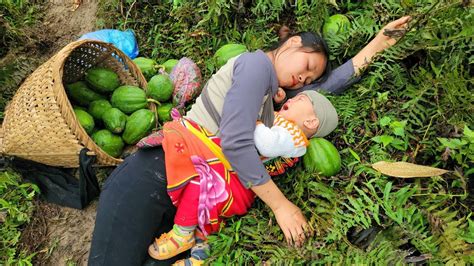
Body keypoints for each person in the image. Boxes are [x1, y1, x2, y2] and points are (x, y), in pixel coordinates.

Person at [88, 16, 411, 266]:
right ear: (293, 43)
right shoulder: (256, 65)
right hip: (157, 173)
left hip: (189, 199)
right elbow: (235, 143)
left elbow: (327, 92)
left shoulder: (277, 100)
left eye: (310, 80)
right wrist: (281, 206)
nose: (304, 79)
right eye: (307, 66)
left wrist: (379, 44)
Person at [146, 89, 338, 262]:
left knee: (199, 183)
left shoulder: (294, 138)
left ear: (311, 122)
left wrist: (249, 115)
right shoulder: (281, 123)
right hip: (236, 170)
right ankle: (200, 250)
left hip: (238, 178)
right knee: (205, 199)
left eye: (300, 99)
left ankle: (182, 233)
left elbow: (266, 143)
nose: (293, 99)